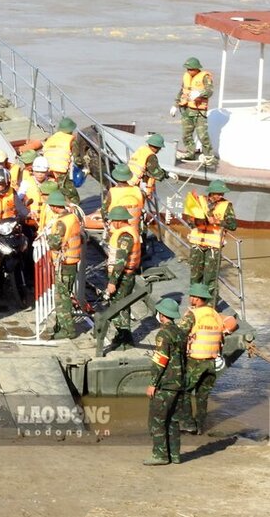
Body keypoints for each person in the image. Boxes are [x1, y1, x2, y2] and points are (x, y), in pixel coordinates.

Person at [175, 283, 229, 435]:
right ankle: (200, 426)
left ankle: (187, 423)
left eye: (191, 296)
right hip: (212, 361)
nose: (190, 298)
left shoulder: (194, 315)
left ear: (196, 299)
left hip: (196, 360)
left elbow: (179, 334)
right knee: (202, 395)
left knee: (184, 391)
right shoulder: (216, 314)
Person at [144, 297, 186, 466]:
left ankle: (160, 455)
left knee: (157, 420)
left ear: (162, 315)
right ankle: (174, 455)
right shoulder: (180, 332)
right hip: (179, 383)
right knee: (173, 420)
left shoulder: (163, 334)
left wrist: (153, 383)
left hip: (166, 383)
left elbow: (161, 360)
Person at [187, 180, 237, 306]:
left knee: (211, 279)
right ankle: (195, 304)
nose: (221, 196)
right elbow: (190, 220)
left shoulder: (226, 206)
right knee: (195, 276)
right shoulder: (199, 201)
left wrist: (217, 221)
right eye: (218, 193)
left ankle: (210, 306)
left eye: (222, 194)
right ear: (211, 192)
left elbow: (233, 225)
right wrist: (197, 220)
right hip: (197, 245)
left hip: (213, 248)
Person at [44, 191, 82, 340]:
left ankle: (68, 329)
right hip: (71, 262)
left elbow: (54, 243)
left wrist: (47, 235)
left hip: (64, 263)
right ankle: (61, 326)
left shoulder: (61, 223)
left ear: (54, 207)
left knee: (62, 299)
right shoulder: (73, 217)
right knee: (65, 295)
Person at [105, 206, 141, 350]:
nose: (112, 223)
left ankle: (124, 339)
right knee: (121, 306)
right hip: (124, 274)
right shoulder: (126, 232)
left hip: (123, 277)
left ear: (119, 221)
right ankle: (123, 337)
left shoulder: (125, 236)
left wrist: (112, 282)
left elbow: (120, 262)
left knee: (120, 307)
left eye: (113, 220)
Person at [171, 57, 215, 166]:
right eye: (187, 69)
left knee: (202, 135)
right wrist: (175, 105)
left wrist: (200, 93)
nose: (188, 71)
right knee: (186, 134)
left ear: (196, 69)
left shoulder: (205, 77)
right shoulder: (186, 77)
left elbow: (210, 91)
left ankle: (209, 156)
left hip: (199, 112)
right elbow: (182, 91)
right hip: (187, 110)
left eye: (190, 69)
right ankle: (190, 153)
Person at [128, 133, 178, 198]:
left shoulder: (141, 149)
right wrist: (167, 174)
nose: (159, 150)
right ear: (157, 147)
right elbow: (157, 174)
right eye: (159, 148)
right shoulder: (151, 156)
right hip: (135, 186)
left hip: (128, 181)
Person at [102, 164, 145, 234]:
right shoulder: (138, 191)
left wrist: (105, 221)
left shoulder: (112, 192)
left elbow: (104, 210)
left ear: (116, 177)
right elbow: (141, 208)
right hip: (134, 229)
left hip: (116, 230)